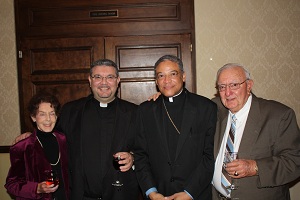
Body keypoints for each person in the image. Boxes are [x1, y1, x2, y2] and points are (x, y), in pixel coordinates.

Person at [13, 59, 140, 200]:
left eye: (110, 77)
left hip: (121, 195)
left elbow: (148, 150)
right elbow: (51, 135)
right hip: (80, 195)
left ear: (118, 80)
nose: (104, 82)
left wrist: (133, 158)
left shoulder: (135, 113)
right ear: (90, 81)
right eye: (98, 77)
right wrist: (32, 136)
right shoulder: (71, 111)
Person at [133, 55, 217, 200]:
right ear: (156, 81)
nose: (167, 81)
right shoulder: (145, 111)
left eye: (173, 74)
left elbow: (209, 156)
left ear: (183, 76)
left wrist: (189, 193)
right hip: (158, 195)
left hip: (196, 194)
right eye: (161, 76)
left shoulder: (206, 108)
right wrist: (151, 192)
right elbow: (141, 155)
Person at [212, 63, 300, 200]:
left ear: (249, 85)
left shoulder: (278, 115)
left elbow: (295, 162)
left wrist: (255, 167)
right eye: (222, 87)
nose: (228, 93)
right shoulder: (216, 110)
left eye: (234, 85)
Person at [5, 92, 69, 200]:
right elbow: (12, 184)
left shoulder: (64, 140)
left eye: (52, 113)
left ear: (57, 116)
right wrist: (37, 188)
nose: (48, 119)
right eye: (42, 114)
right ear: (33, 117)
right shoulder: (22, 147)